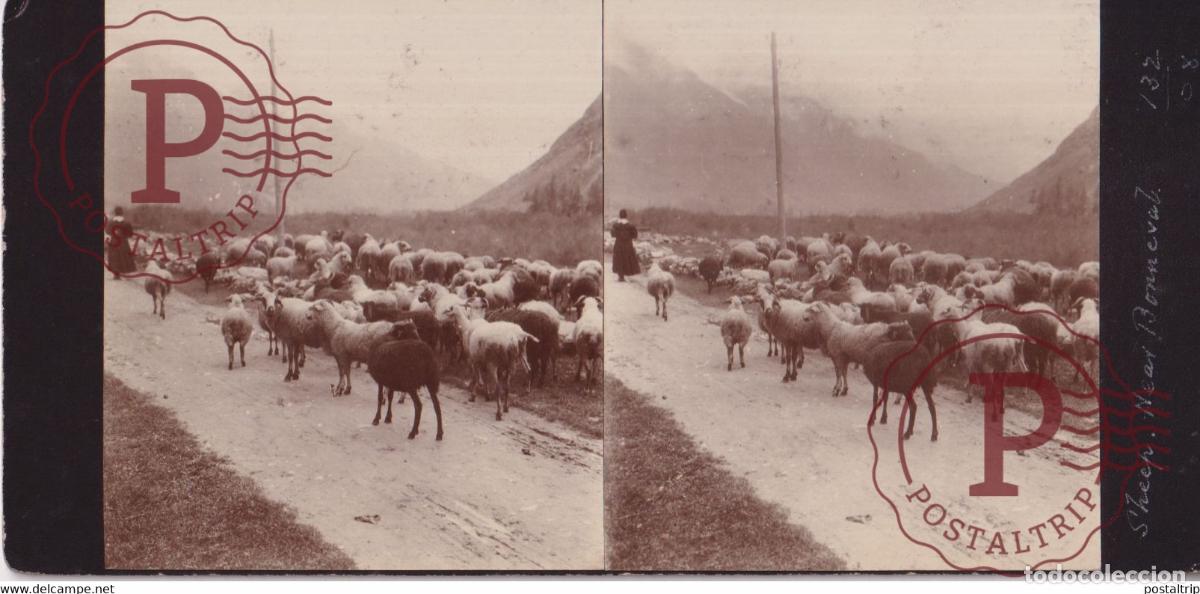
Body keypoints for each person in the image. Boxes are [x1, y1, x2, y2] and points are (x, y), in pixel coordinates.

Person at [106, 206, 137, 278]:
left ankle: (116, 274)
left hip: (114, 241)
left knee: (114, 257)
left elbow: (107, 231)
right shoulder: (126, 223)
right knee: (123, 256)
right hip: (123, 241)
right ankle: (123, 272)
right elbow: (130, 234)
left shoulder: (111, 222)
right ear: (122, 213)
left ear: (115, 213)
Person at [611, 209, 639, 282]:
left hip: (619, 244)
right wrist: (628, 236)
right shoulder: (631, 225)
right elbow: (635, 235)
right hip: (628, 244)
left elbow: (612, 234)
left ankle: (621, 276)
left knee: (619, 259)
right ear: (626, 216)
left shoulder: (616, 225)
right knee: (627, 259)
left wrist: (619, 235)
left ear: (619, 216)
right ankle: (627, 273)